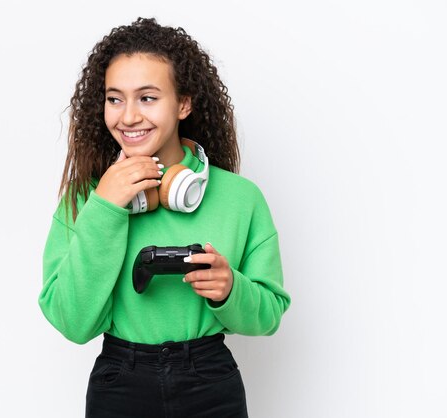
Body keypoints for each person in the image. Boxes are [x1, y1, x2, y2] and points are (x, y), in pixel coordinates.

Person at [38, 17, 291, 418]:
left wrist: (231, 289)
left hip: (211, 380)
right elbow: (72, 321)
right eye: (115, 98)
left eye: (148, 98)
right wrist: (105, 207)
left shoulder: (241, 199)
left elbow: (270, 314)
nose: (128, 117)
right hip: (120, 381)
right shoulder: (88, 198)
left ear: (184, 104)